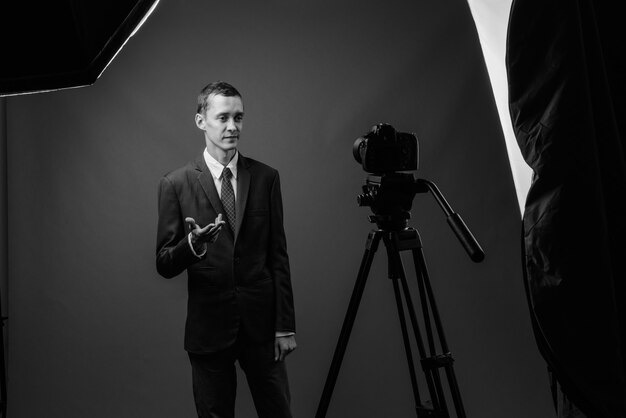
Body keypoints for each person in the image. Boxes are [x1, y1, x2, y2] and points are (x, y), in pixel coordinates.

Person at [156, 81, 296, 418]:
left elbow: (278, 255)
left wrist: (285, 326)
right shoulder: (175, 184)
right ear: (201, 121)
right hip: (209, 327)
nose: (232, 127)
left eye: (239, 117)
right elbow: (164, 262)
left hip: (262, 328)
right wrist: (193, 245)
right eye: (223, 118)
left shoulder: (266, 178)